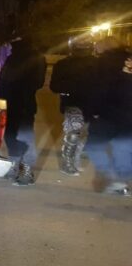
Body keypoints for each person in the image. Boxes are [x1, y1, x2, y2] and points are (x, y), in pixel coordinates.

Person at [0, 35, 47, 186]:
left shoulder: (36, 58)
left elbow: (37, 82)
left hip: (23, 103)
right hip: (7, 103)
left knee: (25, 136)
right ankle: (14, 165)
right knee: (10, 135)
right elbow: (3, 78)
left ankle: (27, 171)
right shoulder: (12, 57)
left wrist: (18, 88)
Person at [85, 36, 132, 196]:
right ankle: (123, 180)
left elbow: (99, 89)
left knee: (93, 146)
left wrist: (93, 111)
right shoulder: (129, 60)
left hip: (108, 112)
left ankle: (114, 178)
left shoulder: (103, 63)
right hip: (128, 113)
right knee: (123, 147)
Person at [49, 38, 98, 176]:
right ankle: (68, 163)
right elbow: (55, 86)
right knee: (73, 134)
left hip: (92, 104)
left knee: (83, 135)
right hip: (73, 103)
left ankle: (74, 159)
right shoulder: (63, 64)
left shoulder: (99, 64)